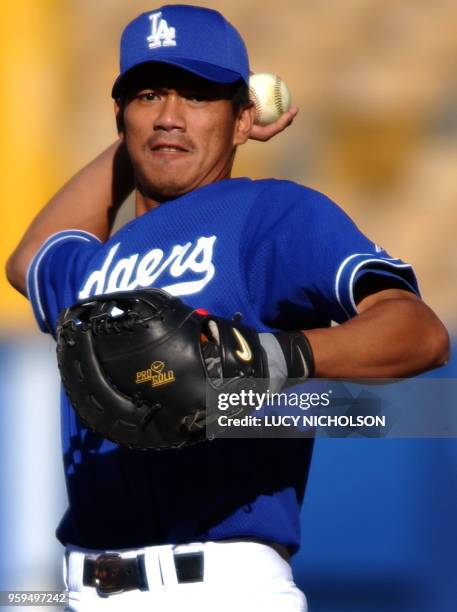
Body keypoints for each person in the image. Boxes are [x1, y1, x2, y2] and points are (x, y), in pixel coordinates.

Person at [6, 5, 449, 611]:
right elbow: (28, 258)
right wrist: (133, 147)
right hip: (83, 592)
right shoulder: (92, 265)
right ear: (120, 116)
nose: (169, 117)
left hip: (220, 587)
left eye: (196, 96)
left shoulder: (268, 215)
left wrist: (268, 356)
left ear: (243, 119)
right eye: (148, 95)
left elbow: (420, 333)